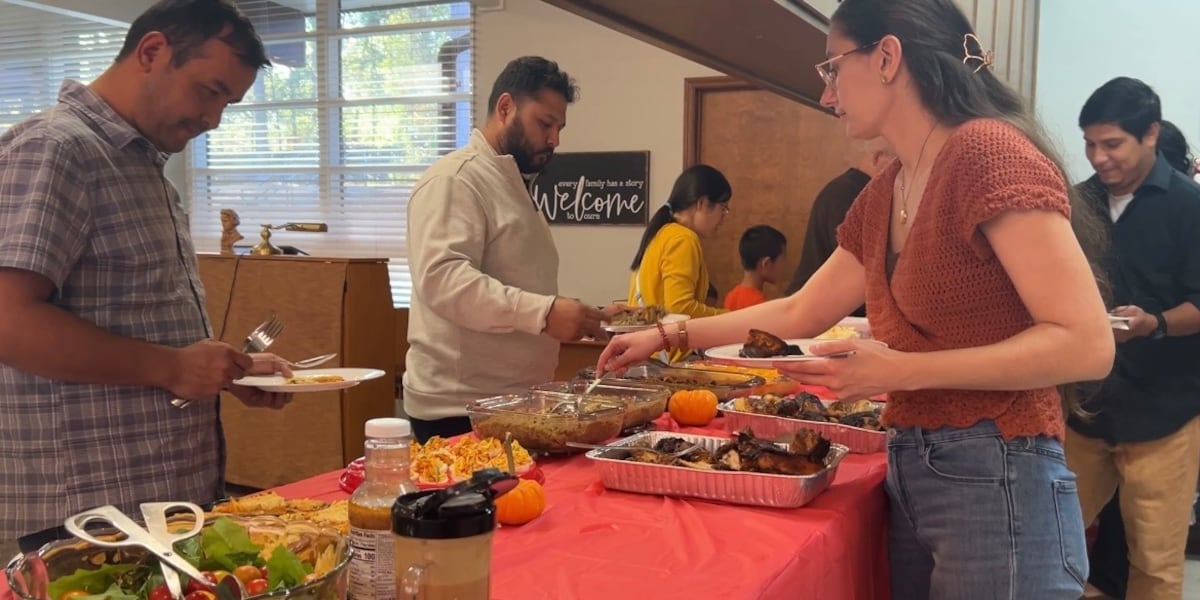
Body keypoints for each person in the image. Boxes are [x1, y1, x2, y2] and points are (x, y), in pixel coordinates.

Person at [596, 0, 1114, 597]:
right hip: (916, 468)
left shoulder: (986, 154)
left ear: (887, 57)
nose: (827, 94)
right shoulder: (889, 187)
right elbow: (803, 309)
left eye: (833, 69)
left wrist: (900, 371)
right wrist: (669, 333)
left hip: (1000, 471)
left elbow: (1086, 343)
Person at [0, 0, 292, 553]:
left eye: (227, 103)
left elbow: (134, 319)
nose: (213, 119)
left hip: (157, 496)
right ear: (152, 52)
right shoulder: (55, 149)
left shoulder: (141, 165)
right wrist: (173, 367)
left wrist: (222, 371)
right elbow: (8, 323)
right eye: (210, 91)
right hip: (89, 514)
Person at [403, 56, 613, 443]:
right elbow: (443, 281)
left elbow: (519, 284)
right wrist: (544, 313)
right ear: (505, 108)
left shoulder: (511, 184)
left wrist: (588, 317)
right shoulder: (456, 179)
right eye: (545, 124)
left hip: (509, 402)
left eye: (559, 128)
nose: (554, 140)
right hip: (459, 410)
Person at [1068, 78, 1200, 600]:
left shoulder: (1189, 206)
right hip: (1085, 407)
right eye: (1089, 143)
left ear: (1150, 134)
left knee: (1155, 564)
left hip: (1165, 412)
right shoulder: (1077, 203)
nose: (1098, 157)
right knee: (1049, 541)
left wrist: (1154, 323)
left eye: (1112, 144)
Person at [786, 138, 895, 312]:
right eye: (899, 164)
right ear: (878, 158)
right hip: (818, 311)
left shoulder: (852, 191)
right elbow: (860, 265)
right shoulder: (849, 195)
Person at [725, 225, 787, 310]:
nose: (784, 266)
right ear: (766, 264)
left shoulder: (731, 296)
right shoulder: (760, 306)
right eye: (782, 260)